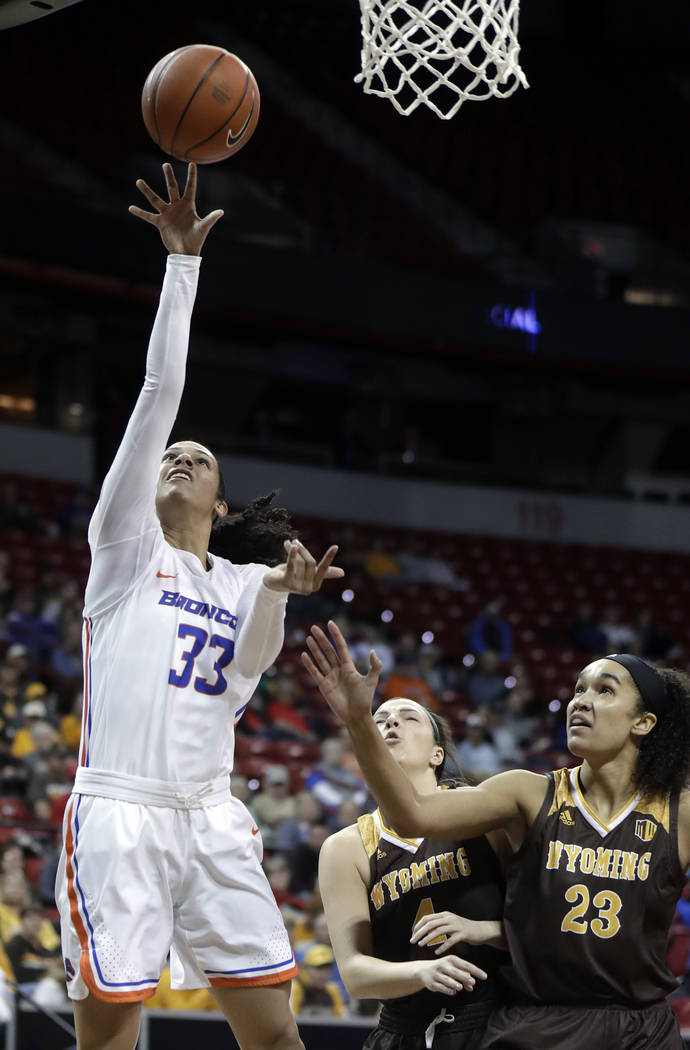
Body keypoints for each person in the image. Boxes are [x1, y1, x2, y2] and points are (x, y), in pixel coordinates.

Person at [54, 163, 343, 1050]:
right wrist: (183, 266)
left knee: (274, 1033)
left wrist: (287, 593)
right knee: (108, 1034)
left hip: (213, 815)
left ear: (221, 506)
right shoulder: (123, 552)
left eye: (199, 457)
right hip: (122, 810)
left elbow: (250, 669)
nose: (178, 456)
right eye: (169, 456)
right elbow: (158, 396)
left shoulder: (241, 583)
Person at [303, 621, 690, 1050]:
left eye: (604, 690)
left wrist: (484, 929)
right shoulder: (526, 792)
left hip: (645, 1026)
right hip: (540, 1019)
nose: (580, 701)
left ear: (643, 722)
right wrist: (358, 721)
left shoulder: (679, 810)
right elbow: (413, 814)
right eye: (578, 689)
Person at [316, 691, 507, 1050]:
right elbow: (355, 974)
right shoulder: (345, 848)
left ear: (438, 755)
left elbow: (540, 926)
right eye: (380, 719)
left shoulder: (482, 812)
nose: (390, 721)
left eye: (409, 717)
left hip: (493, 1020)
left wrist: (480, 929)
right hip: (403, 1030)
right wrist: (420, 972)